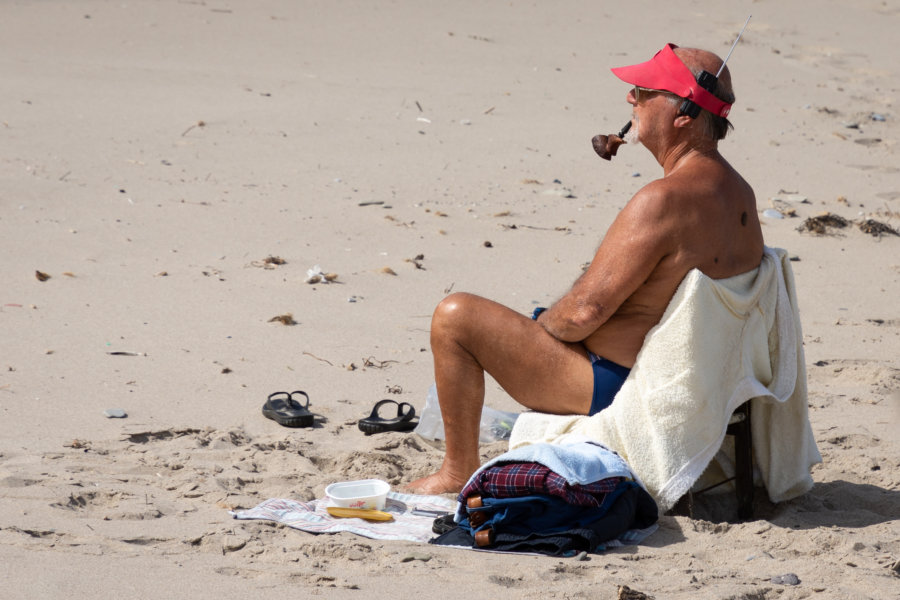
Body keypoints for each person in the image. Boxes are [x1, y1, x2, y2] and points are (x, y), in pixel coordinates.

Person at [406, 44, 765, 495]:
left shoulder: (664, 199)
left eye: (643, 91)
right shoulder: (741, 195)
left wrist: (543, 327)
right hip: (704, 384)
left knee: (454, 317)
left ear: (683, 114)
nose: (630, 99)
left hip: (619, 386)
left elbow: (581, 315)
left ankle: (455, 472)